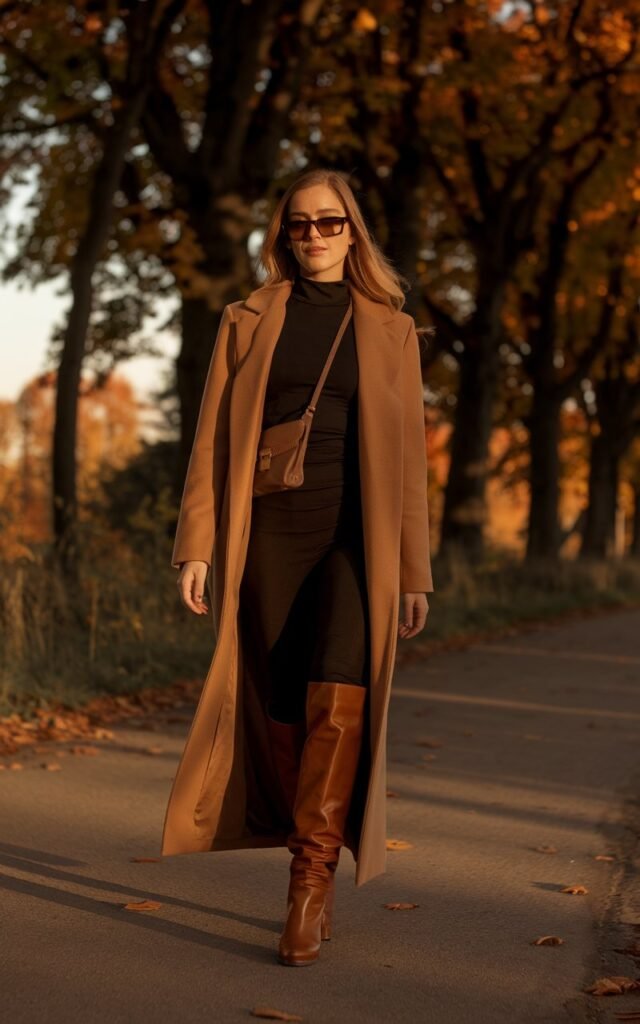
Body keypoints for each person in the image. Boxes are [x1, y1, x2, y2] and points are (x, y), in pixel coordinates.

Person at [170, 168, 433, 967]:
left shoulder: (390, 329)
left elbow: (411, 463)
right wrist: (198, 545)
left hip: (357, 538)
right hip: (270, 533)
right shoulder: (248, 321)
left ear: (354, 231)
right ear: (281, 236)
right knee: (283, 699)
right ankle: (298, 833)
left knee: (339, 690)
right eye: (298, 225)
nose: (314, 236)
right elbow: (213, 438)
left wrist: (414, 569)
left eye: (329, 223)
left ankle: (309, 888)